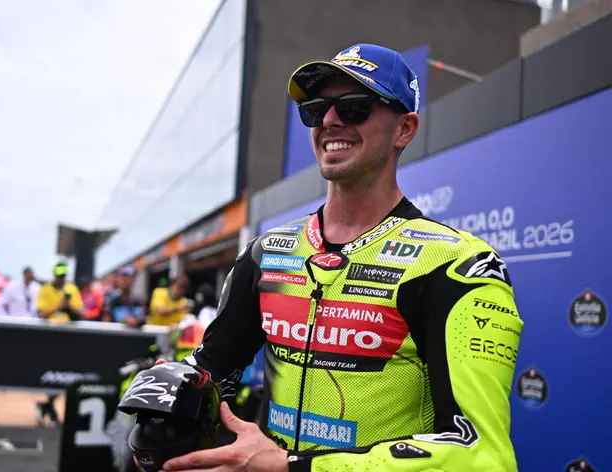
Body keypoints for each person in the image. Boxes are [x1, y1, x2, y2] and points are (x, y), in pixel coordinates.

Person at [159, 44, 524, 472]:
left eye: (354, 107)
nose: (330, 120)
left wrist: (294, 466)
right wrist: (172, 391)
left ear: (404, 129)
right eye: (315, 110)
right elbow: (211, 369)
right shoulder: (266, 253)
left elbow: (480, 453)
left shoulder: (455, 265)